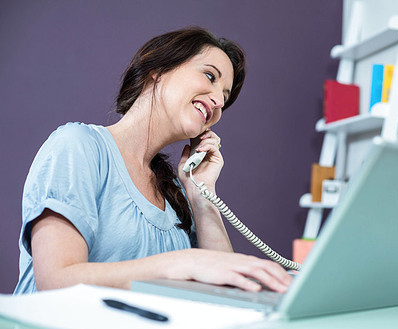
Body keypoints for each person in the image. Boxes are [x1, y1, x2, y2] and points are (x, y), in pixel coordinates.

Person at [14, 27, 292, 294]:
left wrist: (201, 194)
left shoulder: (176, 192)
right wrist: (180, 264)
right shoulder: (77, 146)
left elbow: (227, 294)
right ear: (157, 71)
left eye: (225, 97)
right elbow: (55, 280)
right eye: (210, 76)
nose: (219, 101)